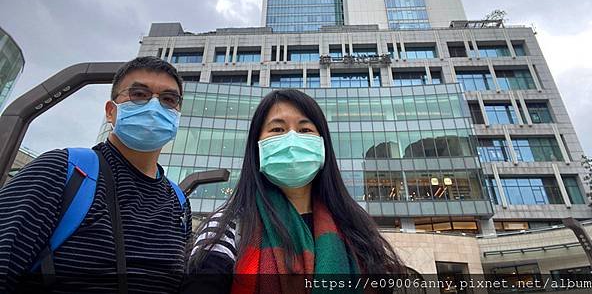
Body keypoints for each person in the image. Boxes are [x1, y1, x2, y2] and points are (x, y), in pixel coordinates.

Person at [0, 56, 192, 293]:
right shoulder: (62, 172)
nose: (154, 107)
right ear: (111, 112)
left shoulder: (179, 202)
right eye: (139, 94)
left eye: (168, 99)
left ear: (177, 115)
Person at [184, 89, 405, 293]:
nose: (292, 139)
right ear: (257, 145)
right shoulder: (227, 227)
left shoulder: (355, 227)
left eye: (305, 129)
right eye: (277, 129)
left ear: (322, 144)